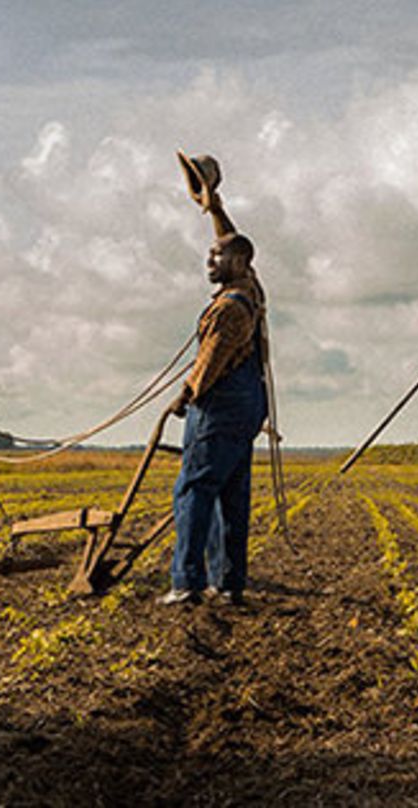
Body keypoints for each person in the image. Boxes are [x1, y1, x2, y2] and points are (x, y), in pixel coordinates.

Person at [159, 157, 269, 607]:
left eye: (217, 256)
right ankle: (228, 583)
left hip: (219, 403)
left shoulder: (228, 308)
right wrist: (213, 208)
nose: (210, 257)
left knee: (193, 488)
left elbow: (209, 361)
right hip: (247, 403)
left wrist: (183, 396)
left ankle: (186, 581)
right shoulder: (252, 288)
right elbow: (233, 242)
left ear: (238, 261)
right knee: (231, 492)